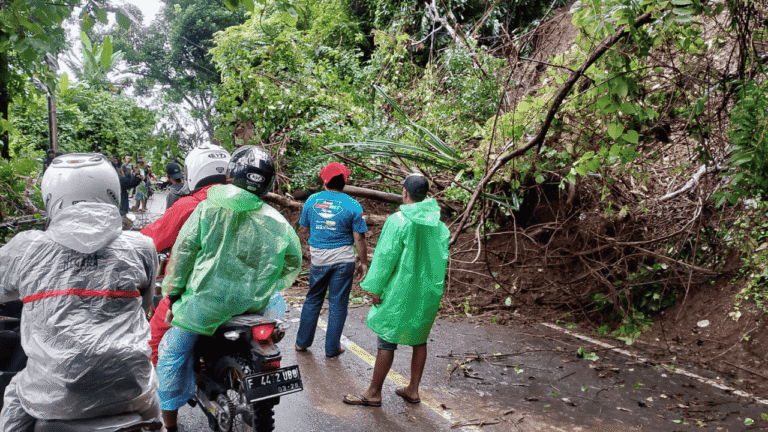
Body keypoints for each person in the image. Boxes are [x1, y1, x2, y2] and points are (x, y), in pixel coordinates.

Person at [0, 153, 160, 430]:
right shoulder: (141, 246)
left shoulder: (26, 249)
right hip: (130, 387)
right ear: (111, 192)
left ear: (51, 195)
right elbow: (145, 306)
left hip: (53, 395)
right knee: (153, 410)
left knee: (15, 399)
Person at [155, 145, 302, 432]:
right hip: (255, 306)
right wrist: (264, 283)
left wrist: (172, 294)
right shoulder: (278, 221)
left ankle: (168, 425)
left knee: (171, 354)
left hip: (203, 308)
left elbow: (183, 255)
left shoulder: (208, 208)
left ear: (231, 174)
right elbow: (292, 263)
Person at [342, 173, 449, 407]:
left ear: (405, 193)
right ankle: (413, 389)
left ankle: (373, 392)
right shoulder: (439, 225)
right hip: (427, 291)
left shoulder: (398, 220)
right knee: (419, 339)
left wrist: (375, 288)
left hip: (399, 289)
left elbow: (385, 258)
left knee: (386, 339)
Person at [141, 144, 231, 366]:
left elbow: (152, 239)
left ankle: (160, 398)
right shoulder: (247, 204)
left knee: (151, 345)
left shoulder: (189, 206)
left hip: (193, 293)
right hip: (241, 291)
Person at [295, 162, 368, 358]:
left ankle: (302, 343)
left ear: (324, 181)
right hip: (344, 261)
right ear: (345, 181)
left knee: (313, 299)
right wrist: (364, 262)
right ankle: (332, 348)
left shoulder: (311, 201)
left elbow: (305, 228)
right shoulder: (353, 205)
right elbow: (359, 237)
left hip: (319, 259)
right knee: (338, 303)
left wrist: (314, 246)